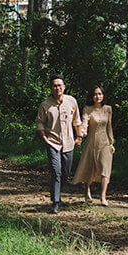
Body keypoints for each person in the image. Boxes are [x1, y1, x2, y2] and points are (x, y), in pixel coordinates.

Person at [35, 75, 83, 214]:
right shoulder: (45, 105)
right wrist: (44, 137)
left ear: (64, 87)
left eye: (60, 85)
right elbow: (40, 122)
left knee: (65, 173)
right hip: (53, 143)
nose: (58, 88)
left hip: (68, 143)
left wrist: (79, 136)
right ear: (51, 88)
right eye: (55, 85)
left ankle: (56, 194)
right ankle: (56, 202)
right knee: (56, 172)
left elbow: (77, 120)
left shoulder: (71, 101)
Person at [72, 85, 116, 206]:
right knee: (89, 168)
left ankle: (103, 197)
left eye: (100, 94)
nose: (98, 96)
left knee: (105, 169)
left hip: (105, 143)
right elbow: (84, 123)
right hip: (91, 142)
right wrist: (82, 134)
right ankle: (87, 192)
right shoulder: (87, 109)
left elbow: (109, 127)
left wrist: (111, 143)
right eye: (95, 94)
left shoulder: (108, 109)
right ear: (92, 96)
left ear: (103, 95)